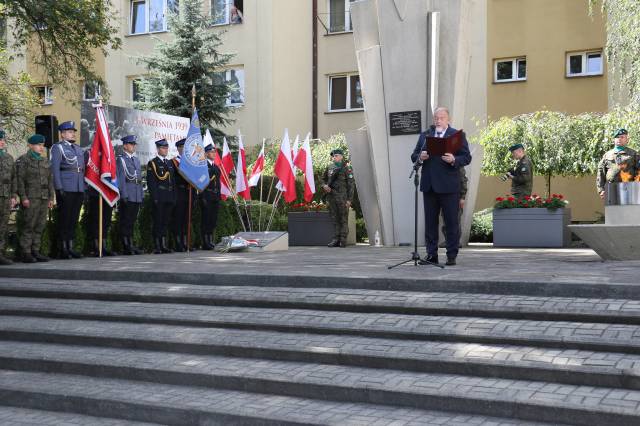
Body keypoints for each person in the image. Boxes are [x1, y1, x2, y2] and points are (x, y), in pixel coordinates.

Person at [410, 107, 471, 266]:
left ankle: (451, 255)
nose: (438, 120)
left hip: (450, 187)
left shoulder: (457, 135)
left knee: (451, 222)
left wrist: (454, 159)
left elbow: (466, 157)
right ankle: (432, 255)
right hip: (429, 186)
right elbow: (414, 156)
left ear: (448, 119)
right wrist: (420, 157)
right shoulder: (425, 136)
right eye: (436, 118)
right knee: (430, 223)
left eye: (442, 118)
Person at [15, 134, 54, 263]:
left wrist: (50, 198)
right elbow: (20, 181)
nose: (41, 148)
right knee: (29, 225)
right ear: (30, 145)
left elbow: (50, 181)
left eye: (42, 145)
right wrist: (23, 197)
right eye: (38, 145)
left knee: (40, 225)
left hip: (43, 198)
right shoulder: (24, 160)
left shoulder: (45, 161)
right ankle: (25, 252)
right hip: (31, 198)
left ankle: (35, 251)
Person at [51, 121, 85, 259]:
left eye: (73, 131)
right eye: (70, 131)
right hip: (66, 187)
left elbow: (82, 169)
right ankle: (62, 248)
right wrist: (59, 188)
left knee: (73, 219)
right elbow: (55, 169)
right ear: (63, 134)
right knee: (64, 218)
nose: (73, 134)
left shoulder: (78, 148)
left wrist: (84, 187)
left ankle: (70, 247)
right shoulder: (57, 148)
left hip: (78, 187)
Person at [85, 151, 117, 257]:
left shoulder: (109, 153)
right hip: (95, 192)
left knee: (106, 220)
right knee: (95, 220)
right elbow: (86, 172)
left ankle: (103, 246)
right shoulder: (89, 153)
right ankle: (95, 247)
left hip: (107, 191)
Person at [147, 139, 176, 254]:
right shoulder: (153, 163)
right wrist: (155, 197)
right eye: (163, 148)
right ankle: (157, 245)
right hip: (159, 197)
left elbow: (172, 182)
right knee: (158, 221)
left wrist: (174, 197)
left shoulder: (169, 163)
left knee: (165, 221)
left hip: (169, 197)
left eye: (166, 148)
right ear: (158, 149)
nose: (165, 150)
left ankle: (163, 244)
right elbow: (151, 182)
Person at [321, 149, 354, 248]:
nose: (334, 157)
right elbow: (323, 179)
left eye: (336, 156)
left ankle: (343, 239)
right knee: (335, 218)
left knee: (343, 219)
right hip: (332, 197)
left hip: (342, 198)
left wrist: (349, 200)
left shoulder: (347, 168)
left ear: (341, 157)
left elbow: (351, 185)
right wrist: (324, 186)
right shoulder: (329, 167)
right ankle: (336, 239)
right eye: (333, 156)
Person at [116, 135, 144, 255]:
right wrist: (124, 194)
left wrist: (141, 195)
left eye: (134, 144)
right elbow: (121, 178)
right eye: (131, 144)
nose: (134, 146)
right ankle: (126, 245)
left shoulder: (136, 160)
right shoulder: (121, 159)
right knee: (125, 220)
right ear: (125, 146)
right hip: (128, 192)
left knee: (132, 221)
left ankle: (131, 243)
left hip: (136, 193)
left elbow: (139, 179)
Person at [597, 128, 637, 199]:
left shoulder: (633, 154)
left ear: (627, 140)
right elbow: (601, 172)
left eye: (622, 137)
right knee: (613, 209)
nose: (619, 139)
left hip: (629, 189)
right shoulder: (607, 155)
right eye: (617, 137)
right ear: (614, 140)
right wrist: (601, 189)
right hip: (611, 189)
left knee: (628, 209)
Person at [171, 138, 196, 252]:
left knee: (187, 220)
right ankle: (178, 243)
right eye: (182, 147)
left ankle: (186, 243)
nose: (184, 150)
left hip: (189, 194)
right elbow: (174, 179)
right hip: (179, 193)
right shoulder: (174, 162)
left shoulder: (190, 162)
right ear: (179, 149)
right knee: (178, 220)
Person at [439, 166, 467, 249]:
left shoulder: (458, 165)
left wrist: (462, 197)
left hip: (456, 196)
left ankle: (456, 241)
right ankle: (448, 240)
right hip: (444, 196)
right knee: (445, 220)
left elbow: (463, 181)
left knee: (455, 220)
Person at [199, 144, 221, 250]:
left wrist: (219, 196)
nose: (213, 154)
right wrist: (202, 197)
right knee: (206, 220)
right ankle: (205, 242)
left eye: (214, 152)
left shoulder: (216, 167)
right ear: (206, 154)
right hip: (207, 195)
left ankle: (211, 240)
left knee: (213, 220)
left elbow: (218, 183)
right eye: (211, 152)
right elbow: (201, 181)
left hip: (215, 196)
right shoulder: (203, 166)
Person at [0, 130, 17, 265]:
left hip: (5, 196)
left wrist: (12, 196)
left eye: (3, 140)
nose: (2, 142)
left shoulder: (8, 158)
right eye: (0, 140)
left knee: (3, 226)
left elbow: (13, 178)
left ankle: (1, 253)